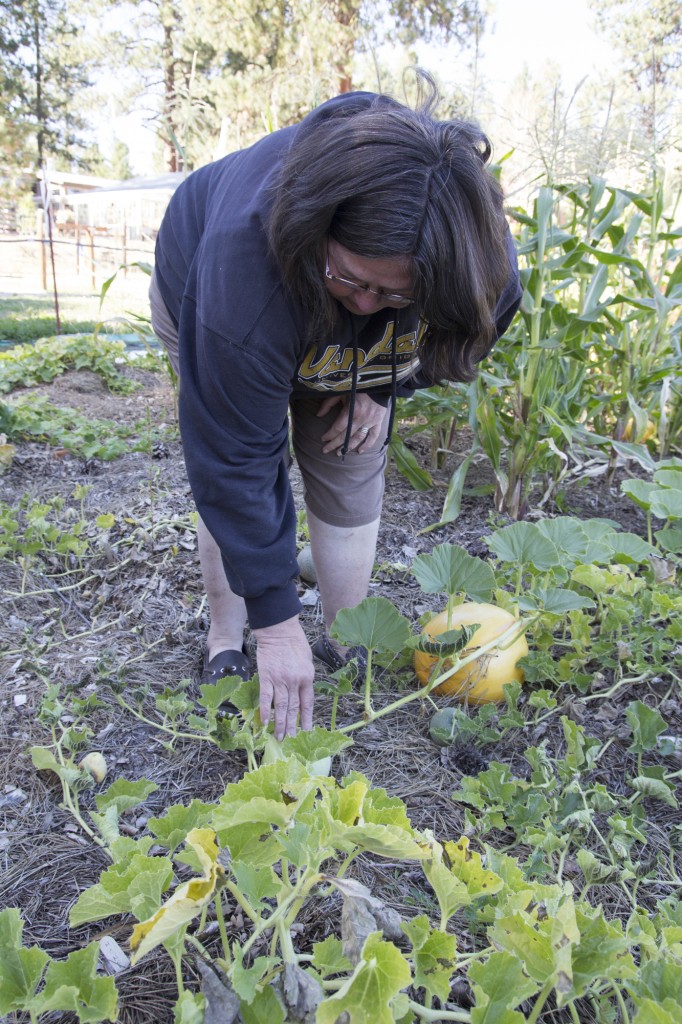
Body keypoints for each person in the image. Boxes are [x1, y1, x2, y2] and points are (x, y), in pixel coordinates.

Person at [149, 72, 522, 742]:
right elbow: (232, 462)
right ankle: (226, 638)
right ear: (323, 228)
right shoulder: (241, 264)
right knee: (243, 471)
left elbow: (463, 336)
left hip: (317, 297)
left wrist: (382, 383)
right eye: (350, 278)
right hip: (212, 295)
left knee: (350, 457)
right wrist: (276, 625)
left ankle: (346, 642)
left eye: (392, 295)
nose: (364, 304)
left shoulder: (476, 258)